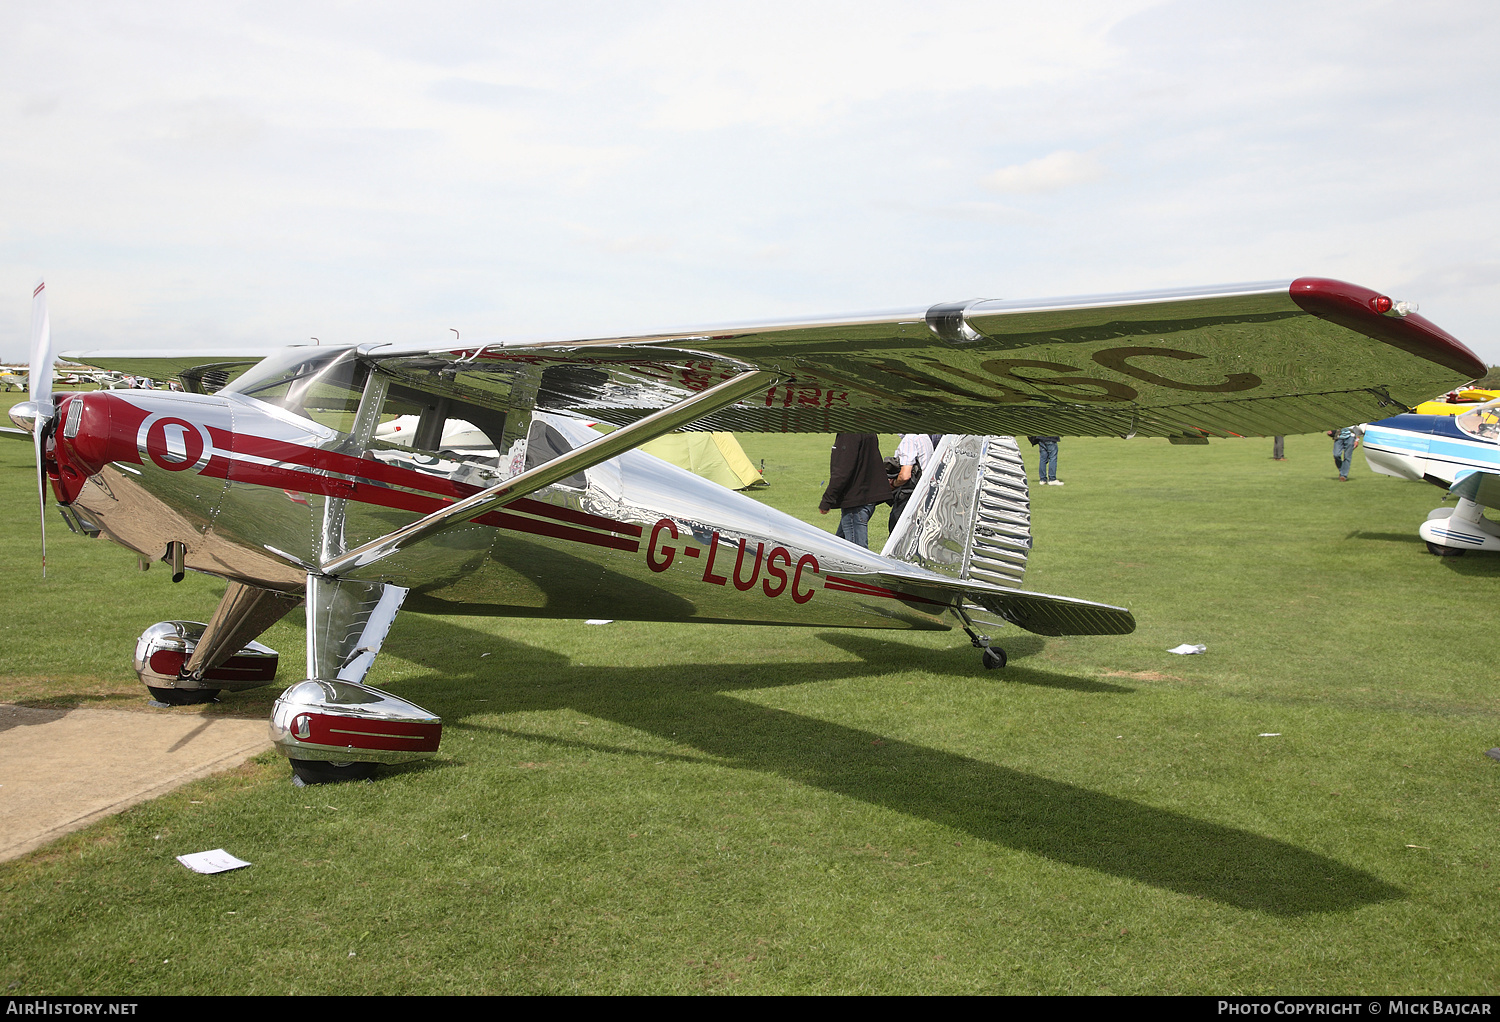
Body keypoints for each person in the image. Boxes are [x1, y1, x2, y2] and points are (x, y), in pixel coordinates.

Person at [819, 433, 888, 548]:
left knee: (857, 553)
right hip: (865, 497)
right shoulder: (866, 428)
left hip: (855, 502)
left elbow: (842, 470)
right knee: (839, 547)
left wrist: (827, 500)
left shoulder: (848, 434)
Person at [887, 433, 940, 532]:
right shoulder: (924, 437)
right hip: (925, 492)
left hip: (909, 495)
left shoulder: (910, 439)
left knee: (898, 533)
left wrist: (893, 484)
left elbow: (905, 476)